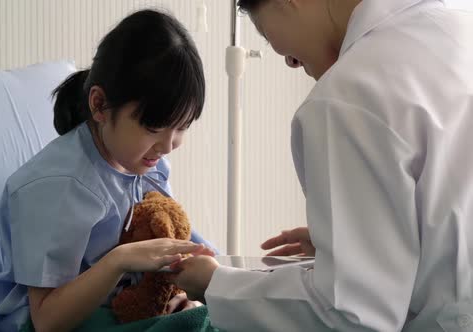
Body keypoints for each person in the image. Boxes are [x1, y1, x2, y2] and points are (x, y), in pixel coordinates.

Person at [167, 0, 473, 331]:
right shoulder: (458, 23)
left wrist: (217, 285)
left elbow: (351, 316)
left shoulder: (348, 95)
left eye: (271, 39)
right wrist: (362, 240)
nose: (290, 61)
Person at [0, 9, 216, 332]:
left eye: (182, 127)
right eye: (155, 127)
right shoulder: (58, 185)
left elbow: (177, 247)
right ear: (99, 105)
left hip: (121, 308)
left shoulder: (147, 166)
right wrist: (120, 261)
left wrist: (183, 294)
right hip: (40, 322)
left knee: (214, 315)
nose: (169, 145)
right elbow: (46, 319)